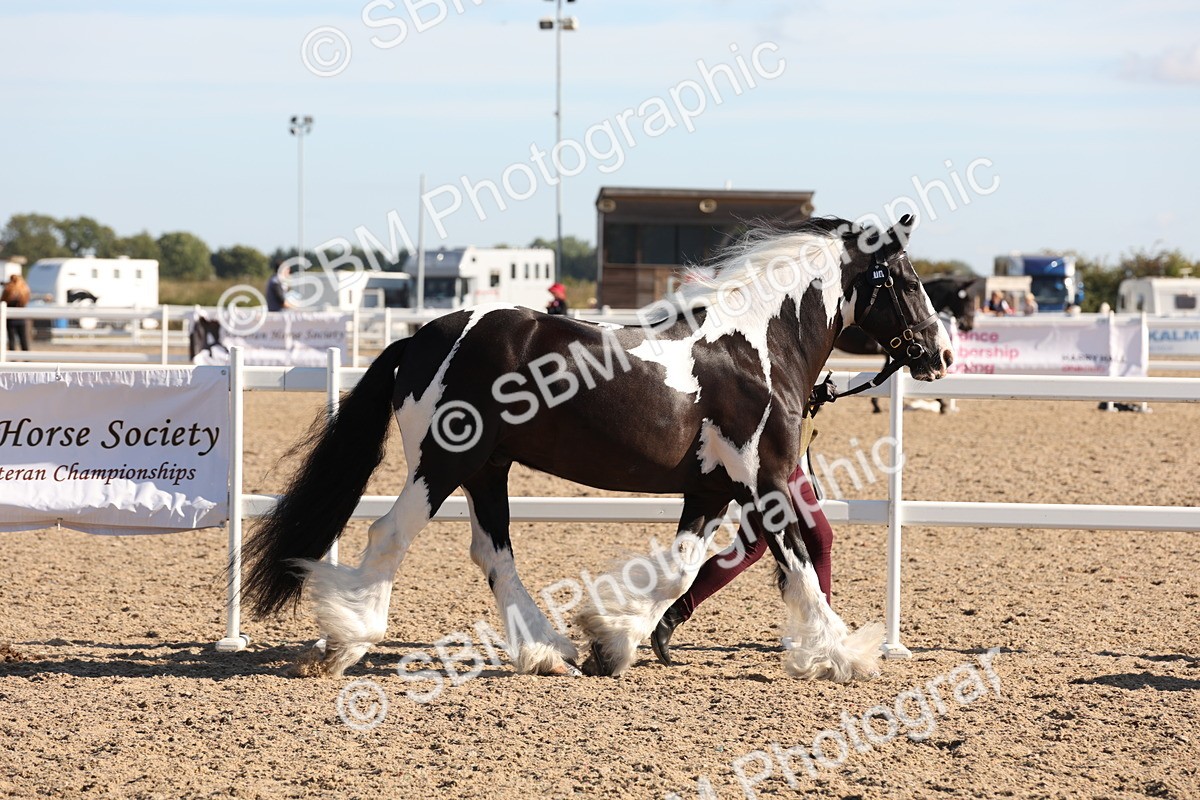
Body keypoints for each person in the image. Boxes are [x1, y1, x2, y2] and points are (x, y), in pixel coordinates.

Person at [651, 378, 837, 663]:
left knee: (750, 547)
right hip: (775, 462)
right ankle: (821, 636)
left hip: (773, 456)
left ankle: (672, 615)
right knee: (818, 537)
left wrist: (812, 399)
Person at [1, 273, 31, 351]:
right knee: (23, 339)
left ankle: (12, 359)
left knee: (11, 339)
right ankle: (26, 359)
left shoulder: (8, 289)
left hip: (10, 319)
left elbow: (3, 301)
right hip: (21, 318)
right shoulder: (24, 289)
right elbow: (26, 301)